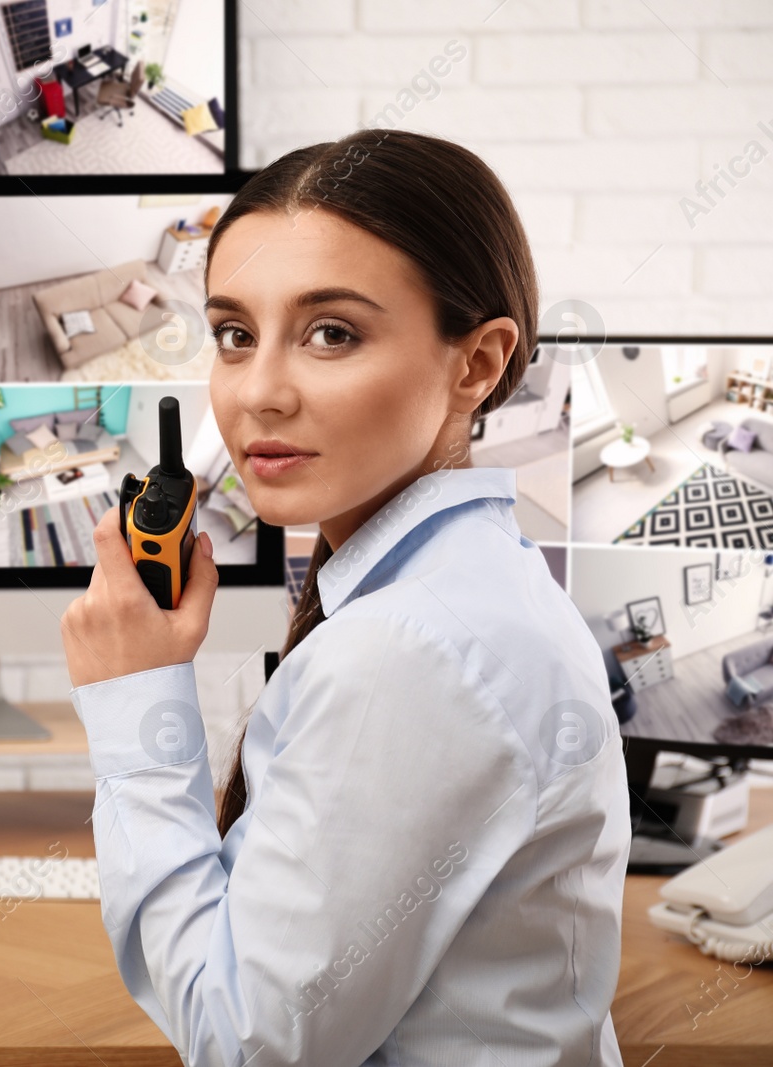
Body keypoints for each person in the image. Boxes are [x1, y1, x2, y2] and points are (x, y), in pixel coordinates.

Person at [60, 129, 629, 1066]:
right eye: (235, 335)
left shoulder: (409, 649)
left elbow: (240, 1042)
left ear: (477, 365)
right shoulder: (467, 583)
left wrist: (136, 700)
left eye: (332, 333)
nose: (258, 393)